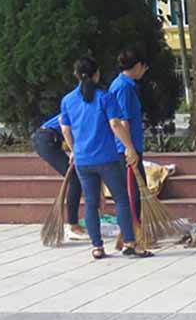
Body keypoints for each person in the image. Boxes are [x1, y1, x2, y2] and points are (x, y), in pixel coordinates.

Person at [59, 57, 143, 259]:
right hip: (106, 158)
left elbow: (65, 129)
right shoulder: (105, 97)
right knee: (121, 199)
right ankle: (129, 243)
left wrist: (74, 151)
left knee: (90, 202)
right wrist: (129, 147)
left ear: (76, 75)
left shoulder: (67, 100)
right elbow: (115, 125)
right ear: (96, 74)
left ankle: (97, 247)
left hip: (83, 161)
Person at [108, 48, 147, 251]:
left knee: (137, 191)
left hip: (131, 145)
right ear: (138, 66)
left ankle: (132, 233)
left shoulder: (125, 85)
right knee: (133, 194)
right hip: (127, 148)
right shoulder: (123, 88)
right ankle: (132, 237)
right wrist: (129, 148)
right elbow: (122, 121)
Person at [32, 113, 86, 241]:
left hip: (52, 139)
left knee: (76, 178)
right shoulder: (79, 104)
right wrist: (73, 150)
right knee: (74, 179)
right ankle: (73, 226)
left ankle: (74, 224)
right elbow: (64, 123)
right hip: (47, 139)